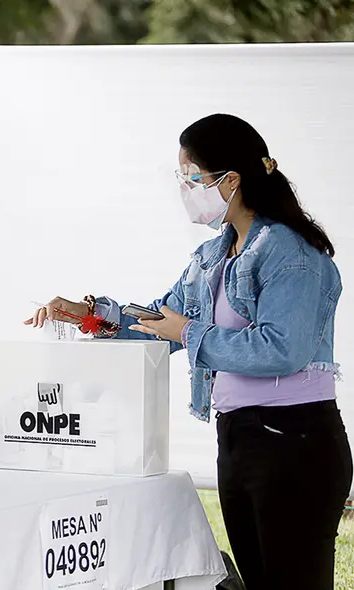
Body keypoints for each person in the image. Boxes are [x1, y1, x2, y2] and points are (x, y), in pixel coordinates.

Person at [27, 114, 352, 590]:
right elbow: (161, 323)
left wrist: (189, 332)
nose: (185, 189)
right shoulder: (214, 257)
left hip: (295, 441)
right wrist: (88, 315)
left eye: (192, 178)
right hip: (239, 436)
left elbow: (283, 349)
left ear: (232, 180)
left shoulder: (291, 253)